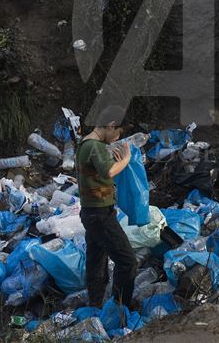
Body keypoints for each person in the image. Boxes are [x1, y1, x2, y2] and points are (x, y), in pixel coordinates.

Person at [75, 105, 138, 307]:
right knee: (127, 261)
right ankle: (120, 309)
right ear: (111, 126)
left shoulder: (85, 144)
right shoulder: (95, 146)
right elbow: (109, 172)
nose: (117, 139)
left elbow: (100, 171)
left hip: (91, 212)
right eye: (118, 133)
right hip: (100, 214)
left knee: (96, 261)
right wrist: (126, 159)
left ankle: (95, 305)